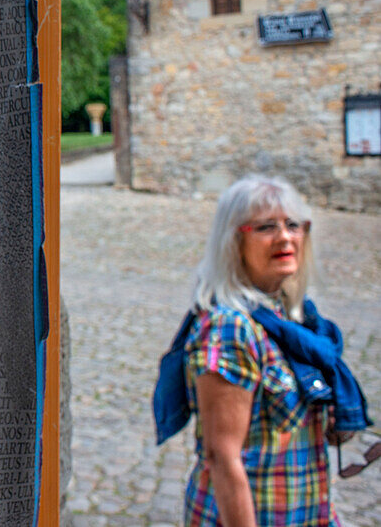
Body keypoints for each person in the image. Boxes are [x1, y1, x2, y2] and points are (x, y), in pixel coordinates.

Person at [154, 175, 372, 527]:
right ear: (233, 241)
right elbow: (222, 457)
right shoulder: (230, 328)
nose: (285, 237)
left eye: (293, 225)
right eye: (266, 227)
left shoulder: (292, 318)